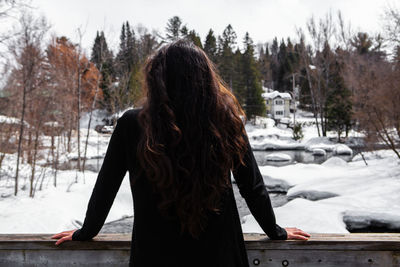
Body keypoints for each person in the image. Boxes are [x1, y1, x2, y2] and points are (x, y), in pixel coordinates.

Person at [52, 39, 310, 267]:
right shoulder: (226, 122)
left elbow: (106, 186)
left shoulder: (132, 124)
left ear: (157, 80)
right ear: (205, 79)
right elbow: (251, 186)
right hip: (219, 254)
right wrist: (275, 231)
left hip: (155, 255)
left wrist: (86, 232)